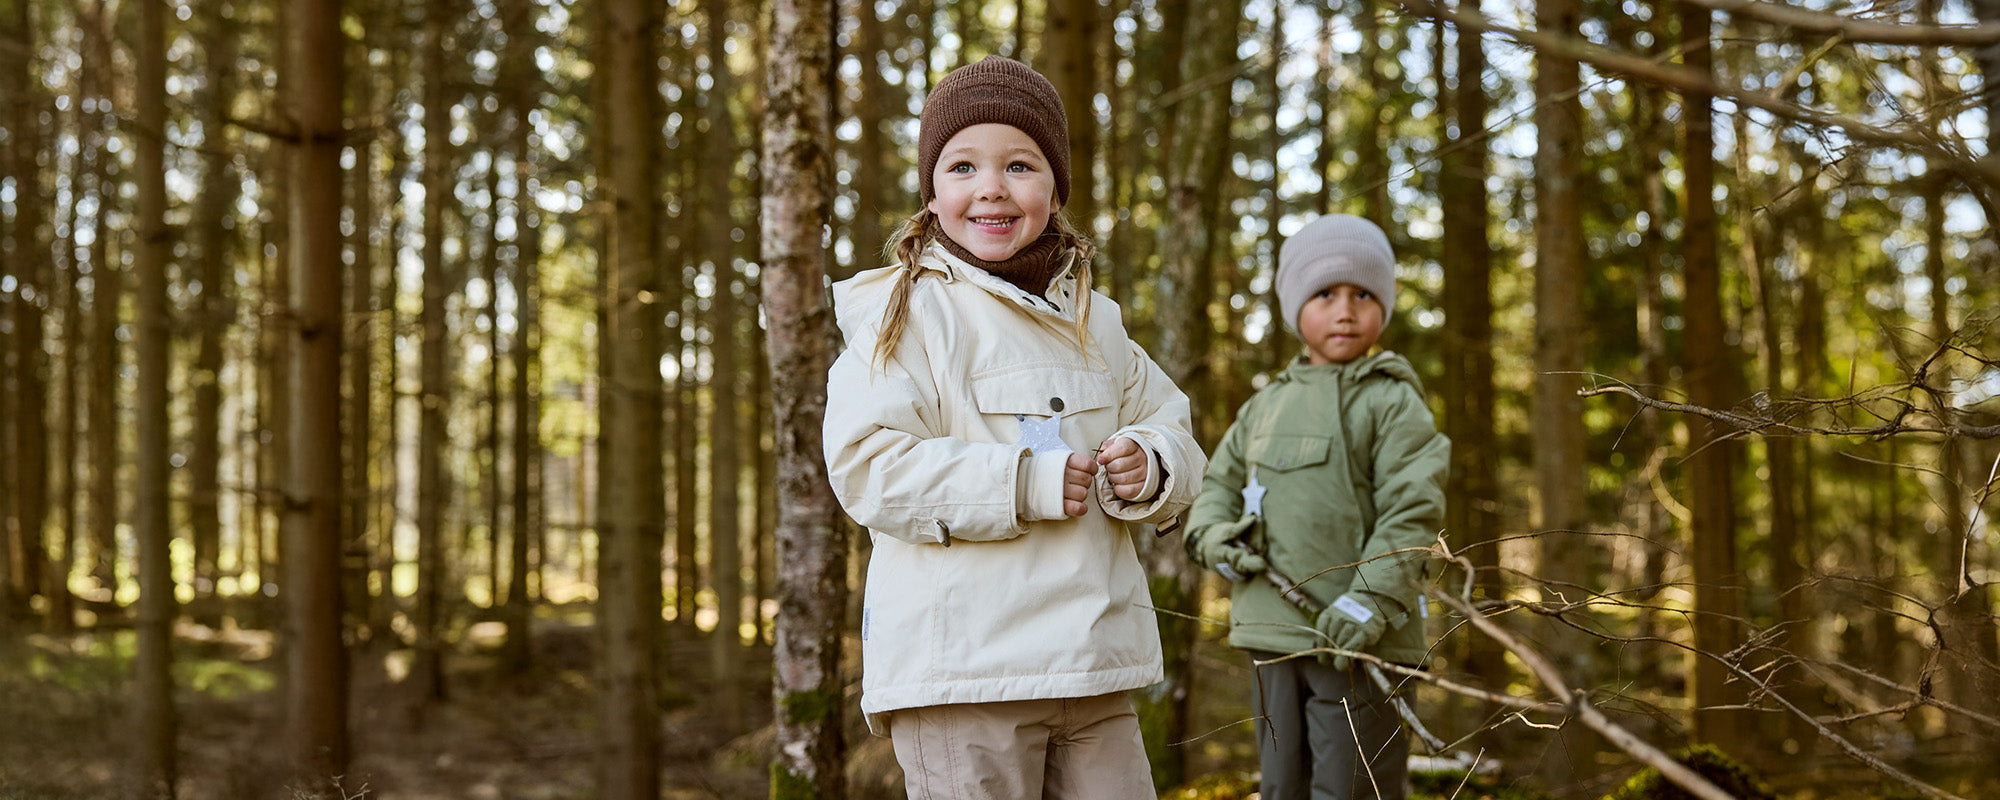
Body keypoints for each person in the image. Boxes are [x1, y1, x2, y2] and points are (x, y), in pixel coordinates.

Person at [822, 55, 1206, 799]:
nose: (992, 186)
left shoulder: (1096, 321)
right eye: (963, 166)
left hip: (1094, 669)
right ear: (932, 193)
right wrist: (1019, 482)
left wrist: (1153, 461)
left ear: (1056, 190)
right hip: (965, 679)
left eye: (1020, 165)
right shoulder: (906, 316)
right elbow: (870, 467)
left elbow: (1172, 425)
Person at [1181, 214, 1450, 800]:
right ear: (1294, 306)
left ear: (1385, 306)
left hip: (1361, 640)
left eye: (1363, 295)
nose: (1345, 311)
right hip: (1272, 633)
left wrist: (1366, 601)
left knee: (1353, 785)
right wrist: (1216, 540)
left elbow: (1412, 513)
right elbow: (1217, 487)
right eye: (1325, 294)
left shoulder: (1392, 400)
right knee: (1283, 784)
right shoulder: (1265, 405)